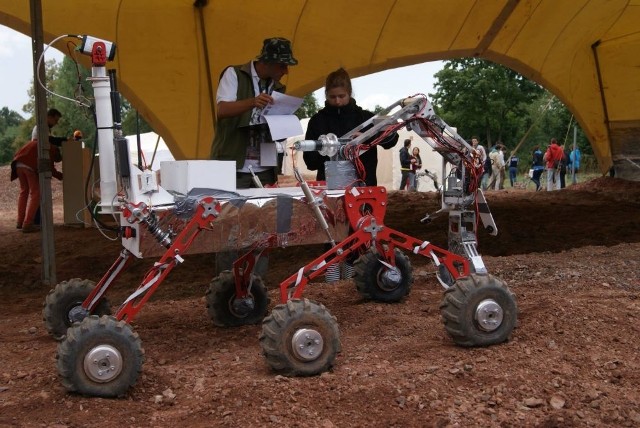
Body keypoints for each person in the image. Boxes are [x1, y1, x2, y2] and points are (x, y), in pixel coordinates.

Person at [210, 37, 298, 188]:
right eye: (282, 66)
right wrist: (252, 102)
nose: (286, 71)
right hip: (235, 166)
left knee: (264, 211)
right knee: (231, 210)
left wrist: (284, 126)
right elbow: (222, 110)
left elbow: (276, 130)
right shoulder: (234, 74)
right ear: (268, 62)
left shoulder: (277, 86)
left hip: (266, 168)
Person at [303, 67, 398, 186]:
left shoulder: (367, 118)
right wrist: (329, 150)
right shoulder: (317, 121)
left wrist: (368, 136)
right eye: (332, 97)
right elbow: (310, 162)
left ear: (349, 93)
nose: (337, 101)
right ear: (326, 95)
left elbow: (392, 140)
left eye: (341, 96)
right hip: (329, 189)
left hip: (364, 188)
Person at [11, 139, 63, 233]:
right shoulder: (50, 149)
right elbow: (50, 167)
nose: (54, 160)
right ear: (56, 152)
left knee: (24, 192)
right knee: (36, 194)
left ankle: (20, 221)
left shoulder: (39, 142)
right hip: (28, 167)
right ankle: (27, 224)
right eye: (55, 159)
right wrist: (61, 176)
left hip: (18, 164)